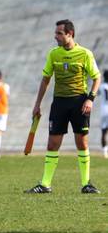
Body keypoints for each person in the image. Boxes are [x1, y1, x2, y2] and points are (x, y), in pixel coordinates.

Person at [26, 20, 101, 194]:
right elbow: (45, 79)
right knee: (52, 144)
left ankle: (86, 183)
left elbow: (96, 78)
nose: (56, 36)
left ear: (70, 34)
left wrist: (90, 99)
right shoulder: (54, 54)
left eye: (59, 33)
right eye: (56, 33)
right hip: (59, 103)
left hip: (79, 103)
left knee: (82, 143)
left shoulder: (85, 54)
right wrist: (37, 104)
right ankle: (45, 184)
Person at [99, 70, 108, 159]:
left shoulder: (102, 86)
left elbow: (96, 93)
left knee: (104, 132)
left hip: (104, 110)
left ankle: (105, 151)